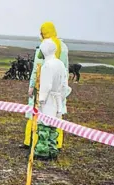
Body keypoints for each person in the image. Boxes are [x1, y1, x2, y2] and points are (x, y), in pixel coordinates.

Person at [23, 21, 69, 153]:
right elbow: (65, 70)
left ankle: (34, 143)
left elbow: (36, 70)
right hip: (58, 89)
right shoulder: (63, 47)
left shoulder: (44, 48)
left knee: (39, 115)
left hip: (44, 88)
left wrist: (32, 87)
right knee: (56, 115)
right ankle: (55, 144)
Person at [36, 39, 71, 160]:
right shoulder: (60, 64)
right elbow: (64, 84)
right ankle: (52, 150)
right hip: (57, 99)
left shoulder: (47, 65)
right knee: (53, 126)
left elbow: (46, 85)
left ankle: (42, 150)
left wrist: (41, 99)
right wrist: (61, 98)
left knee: (44, 125)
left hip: (48, 100)